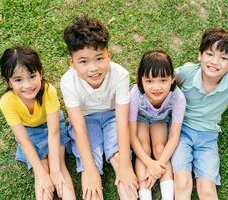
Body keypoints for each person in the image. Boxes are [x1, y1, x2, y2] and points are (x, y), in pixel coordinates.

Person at [171, 28, 228, 200]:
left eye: (223, 58)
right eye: (209, 54)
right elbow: (167, 78)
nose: (215, 62)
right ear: (200, 55)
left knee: (207, 189)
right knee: (182, 181)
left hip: (208, 137)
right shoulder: (187, 72)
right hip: (180, 131)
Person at [60, 17, 138, 200]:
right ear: (72, 62)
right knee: (90, 174)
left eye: (99, 59)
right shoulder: (68, 81)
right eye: (84, 62)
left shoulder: (120, 74)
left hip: (113, 117)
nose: (93, 68)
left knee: (120, 160)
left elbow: (121, 121)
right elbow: (79, 129)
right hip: (86, 120)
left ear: (108, 55)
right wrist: (91, 170)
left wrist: (126, 164)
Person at [0, 46, 76, 200]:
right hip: (29, 132)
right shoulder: (7, 102)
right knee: (40, 169)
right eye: (18, 80)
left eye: (32, 76)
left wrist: (54, 170)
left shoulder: (48, 90)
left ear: (40, 73)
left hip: (52, 125)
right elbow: (24, 140)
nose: (28, 85)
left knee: (59, 166)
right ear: (7, 82)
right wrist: (42, 173)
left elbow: (54, 131)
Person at [129, 50, 186, 200]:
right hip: (140, 119)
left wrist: (157, 166)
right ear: (141, 80)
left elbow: (174, 137)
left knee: (160, 148)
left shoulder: (178, 97)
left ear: (172, 78)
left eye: (163, 80)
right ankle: (144, 193)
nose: (156, 87)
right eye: (149, 81)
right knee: (143, 147)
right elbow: (132, 136)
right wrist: (149, 163)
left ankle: (168, 196)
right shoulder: (135, 95)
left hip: (160, 120)